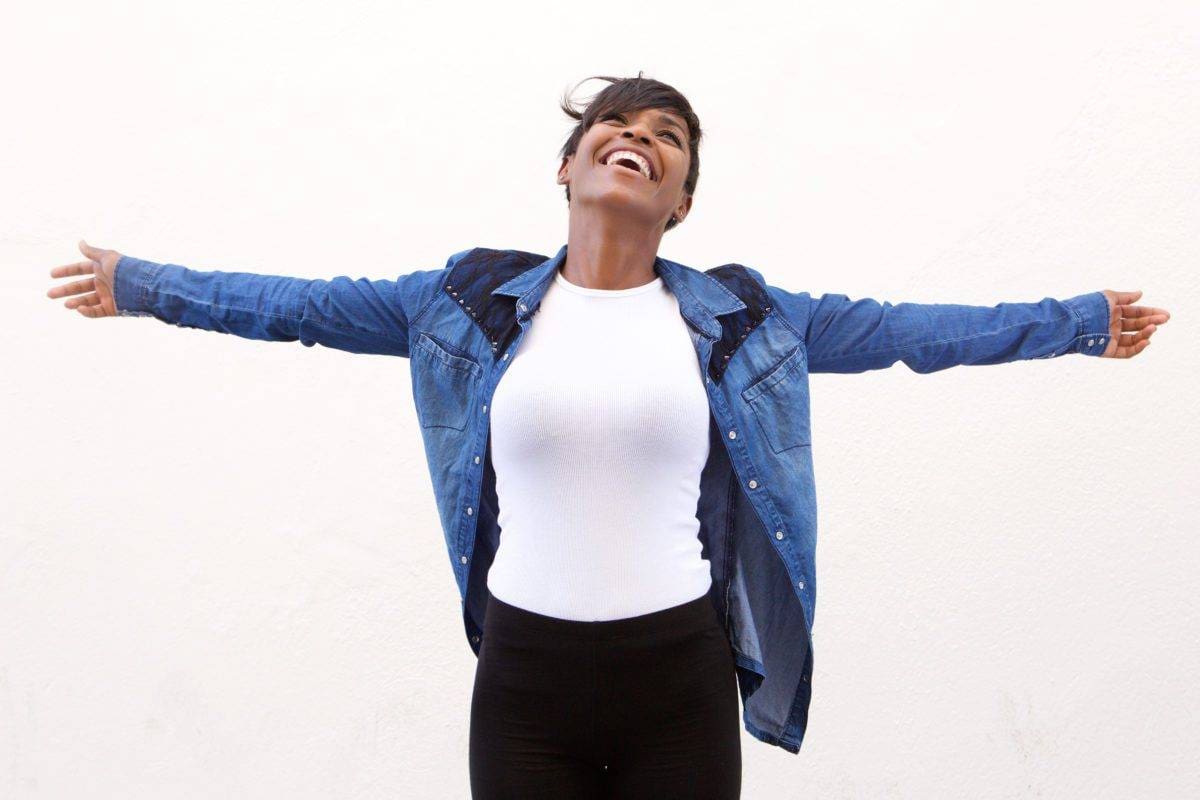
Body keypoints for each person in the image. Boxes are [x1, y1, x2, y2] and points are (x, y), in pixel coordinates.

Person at [46, 73, 1171, 799]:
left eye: (667, 138)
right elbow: (296, 305)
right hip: (527, 679)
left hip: (675, 678)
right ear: (571, 167)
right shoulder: (463, 304)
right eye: (615, 129)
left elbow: (913, 331)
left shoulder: (745, 321)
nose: (640, 140)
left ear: (678, 196)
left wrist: (1077, 322)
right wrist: (146, 285)